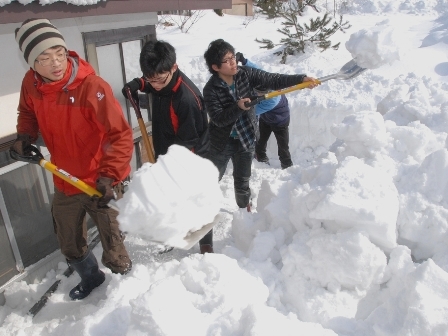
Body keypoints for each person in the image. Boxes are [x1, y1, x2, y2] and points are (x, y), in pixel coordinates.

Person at [11, 19, 134, 300]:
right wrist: (24, 137)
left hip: (99, 180)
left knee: (112, 241)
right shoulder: (31, 84)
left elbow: (120, 135)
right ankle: (92, 278)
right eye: (44, 58)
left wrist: (109, 176)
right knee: (68, 241)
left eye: (59, 54)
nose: (55, 63)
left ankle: (124, 292)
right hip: (65, 180)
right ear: (32, 64)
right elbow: (26, 113)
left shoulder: (91, 87)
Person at [202, 39, 318, 211]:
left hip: (246, 139)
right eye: (227, 60)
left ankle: (245, 214)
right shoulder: (211, 90)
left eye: (233, 57)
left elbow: (273, 79)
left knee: (242, 180)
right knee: (211, 177)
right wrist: (238, 107)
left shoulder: (245, 74)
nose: (233, 62)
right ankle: (201, 208)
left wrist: (301, 79)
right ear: (216, 67)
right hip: (222, 142)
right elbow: (218, 119)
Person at [121, 40, 213, 254]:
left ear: (174, 67)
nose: (155, 85)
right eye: (151, 80)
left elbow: (189, 141)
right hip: (168, 145)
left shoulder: (187, 99)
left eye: (160, 80)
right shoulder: (160, 79)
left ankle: (206, 245)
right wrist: (137, 85)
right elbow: (150, 80)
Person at [237, 54, 293, 169]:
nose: (256, 94)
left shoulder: (272, 100)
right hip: (266, 118)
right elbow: (257, 69)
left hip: (280, 121)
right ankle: (261, 158)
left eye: (259, 93)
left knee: (283, 147)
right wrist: (244, 60)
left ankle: (287, 166)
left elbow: (251, 111)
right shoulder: (265, 79)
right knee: (260, 142)